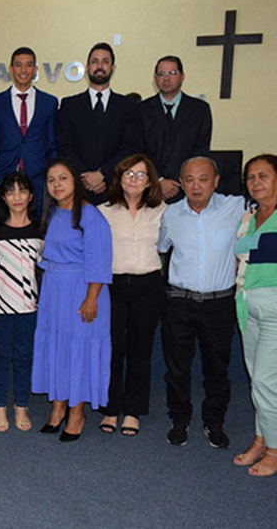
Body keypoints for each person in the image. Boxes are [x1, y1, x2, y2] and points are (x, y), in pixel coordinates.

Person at [158, 156, 246, 448]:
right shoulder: (170, 214)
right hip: (178, 302)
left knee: (217, 370)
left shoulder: (237, 208)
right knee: (177, 369)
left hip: (219, 304)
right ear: (181, 183)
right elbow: (161, 247)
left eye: (203, 179)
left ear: (216, 181)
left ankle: (214, 421)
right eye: (190, 180)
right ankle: (180, 420)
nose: (196, 186)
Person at [32, 157, 113, 441]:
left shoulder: (91, 216)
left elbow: (100, 261)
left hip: (82, 292)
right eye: (52, 180)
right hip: (54, 291)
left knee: (78, 350)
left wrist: (92, 298)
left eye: (63, 178)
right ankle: (58, 408)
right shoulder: (53, 214)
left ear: (76, 181)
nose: (57, 184)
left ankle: (77, 412)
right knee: (58, 348)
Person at [232, 154, 277, 477]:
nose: (256, 182)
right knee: (258, 380)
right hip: (247, 305)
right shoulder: (249, 217)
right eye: (251, 177)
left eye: (264, 175)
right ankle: (260, 440)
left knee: (269, 383)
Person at [98, 154, 167, 436]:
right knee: (112, 349)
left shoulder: (162, 210)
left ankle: (134, 411)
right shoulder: (103, 210)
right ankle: (111, 408)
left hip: (148, 285)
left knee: (140, 349)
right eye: (128, 173)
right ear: (119, 178)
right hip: (112, 285)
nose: (134, 179)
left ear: (150, 181)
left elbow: (164, 245)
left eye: (140, 175)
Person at [0, 171, 43, 432]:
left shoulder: (41, 228)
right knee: (0, 356)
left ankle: (21, 405)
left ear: (30, 196)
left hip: (29, 306)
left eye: (22, 191)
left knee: (24, 356)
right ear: (3, 198)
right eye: (10, 191)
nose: (16, 197)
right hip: (0, 304)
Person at [56, 42, 142, 205]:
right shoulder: (70, 105)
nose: (99, 66)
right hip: (79, 190)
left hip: (116, 189)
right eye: (95, 61)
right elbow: (64, 145)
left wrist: (102, 174)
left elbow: (131, 146)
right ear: (87, 67)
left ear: (113, 68)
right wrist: (85, 176)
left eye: (105, 61)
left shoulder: (128, 107)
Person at [0, 47, 58, 217]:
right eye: (18, 65)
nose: (23, 70)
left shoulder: (49, 102)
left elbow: (51, 143)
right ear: (10, 70)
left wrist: (53, 178)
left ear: (35, 70)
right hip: (2, 177)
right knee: (2, 231)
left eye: (28, 65)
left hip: (38, 179)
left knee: (39, 231)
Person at [140, 56, 212, 203]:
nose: (166, 78)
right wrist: (158, 180)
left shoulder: (199, 110)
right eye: (162, 74)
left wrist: (178, 182)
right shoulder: (141, 110)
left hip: (186, 190)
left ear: (182, 76)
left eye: (172, 73)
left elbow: (201, 150)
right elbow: (138, 150)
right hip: (150, 190)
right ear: (155, 78)